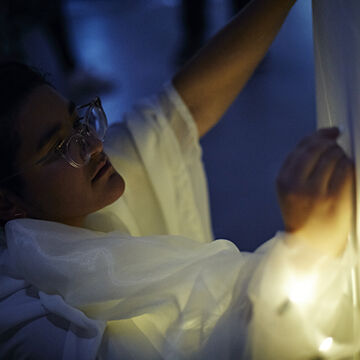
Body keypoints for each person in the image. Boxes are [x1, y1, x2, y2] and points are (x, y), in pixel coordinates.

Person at [0, 0, 354, 358]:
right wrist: (301, 254)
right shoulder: (33, 329)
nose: (93, 144)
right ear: (8, 203)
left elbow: (179, 112)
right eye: (61, 146)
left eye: (79, 121)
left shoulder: (90, 185)